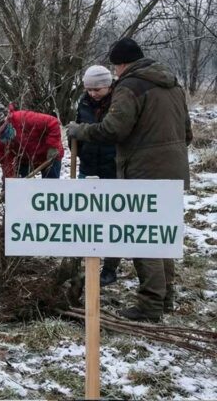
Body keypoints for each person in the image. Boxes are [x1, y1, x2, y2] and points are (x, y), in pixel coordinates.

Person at [67, 38, 191, 322]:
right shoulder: (172, 84)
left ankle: (149, 305)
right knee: (162, 235)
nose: (116, 73)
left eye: (116, 67)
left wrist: (81, 131)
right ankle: (165, 297)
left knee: (142, 238)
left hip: (144, 170)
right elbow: (187, 130)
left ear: (121, 64)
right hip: (173, 168)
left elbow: (113, 129)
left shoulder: (130, 85)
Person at [75, 65, 121, 286]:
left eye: (98, 89)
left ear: (109, 85)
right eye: (89, 89)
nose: (93, 93)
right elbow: (79, 128)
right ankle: (84, 261)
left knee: (112, 220)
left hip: (112, 168)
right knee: (86, 217)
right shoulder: (83, 102)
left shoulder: (119, 101)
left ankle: (110, 268)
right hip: (88, 167)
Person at [0, 103, 64, 179]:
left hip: (49, 155)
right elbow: (6, 162)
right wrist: (9, 181)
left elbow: (53, 122)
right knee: (22, 188)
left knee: (50, 187)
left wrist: (53, 147)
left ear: (5, 119)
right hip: (25, 159)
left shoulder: (23, 118)